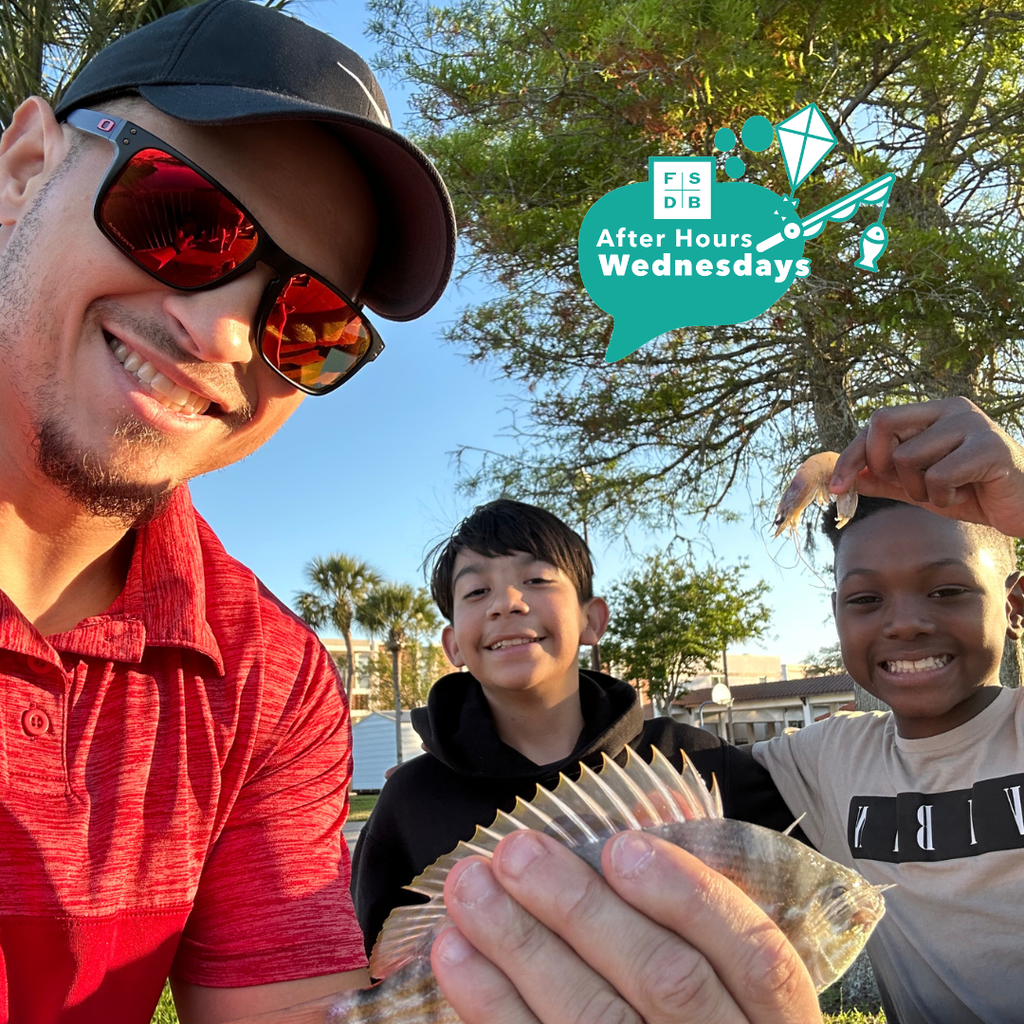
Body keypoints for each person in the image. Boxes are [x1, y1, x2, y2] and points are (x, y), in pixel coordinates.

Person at [0, 1, 829, 1021]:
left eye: (305, 324)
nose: (222, 332)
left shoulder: (268, 681)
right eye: (180, 218)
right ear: (24, 168)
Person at [351, 498, 799, 957]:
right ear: (452, 645)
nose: (506, 603)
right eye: (476, 592)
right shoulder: (409, 802)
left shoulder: (696, 762)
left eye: (536, 580)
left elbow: (791, 915)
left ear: (592, 619)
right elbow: (373, 965)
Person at [753, 449, 1024, 1019]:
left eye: (947, 590)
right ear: (837, 615)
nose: (903, 623)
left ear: (1014, 604)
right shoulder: (828, 760)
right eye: (866, 600)